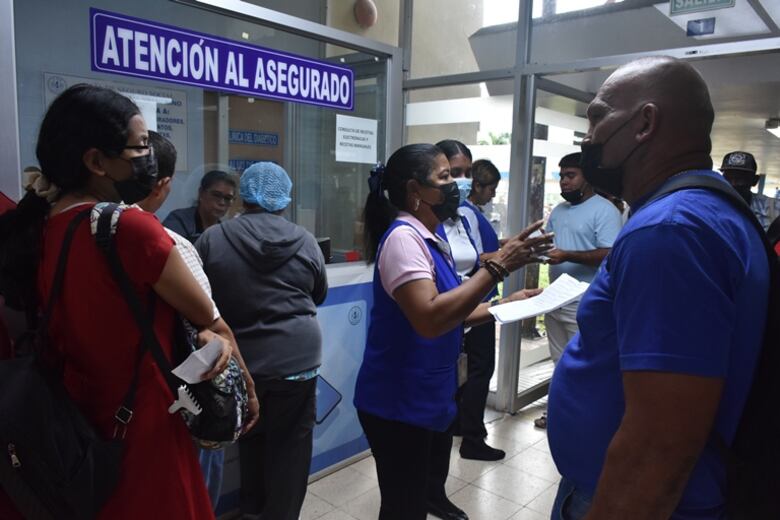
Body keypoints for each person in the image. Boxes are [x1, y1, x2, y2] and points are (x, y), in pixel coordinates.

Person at [547, 57, 769, 519]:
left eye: (596, 117)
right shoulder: (702, 209)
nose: (587, 138)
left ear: (645, 123)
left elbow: (659, 446)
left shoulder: (669, 231)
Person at [0, 84, 234, 519]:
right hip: (144, 429)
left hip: (75, 429)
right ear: (96, 161)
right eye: (140, 148)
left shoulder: (38, 228)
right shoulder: (129, 229)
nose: (149, 158)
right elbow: (203, 314)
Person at [354, 143, 553, 520]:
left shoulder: (430, 238)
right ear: (415, 191)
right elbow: (428, 318)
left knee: (414, 498)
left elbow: (451, 313)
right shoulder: (403, 240)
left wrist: (502, 305)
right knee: (403, 506)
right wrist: (496, 269)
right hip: (398, 401)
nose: (457, 185)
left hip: (424, 394)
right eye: (445, 177)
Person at [196, 161, 328, 520]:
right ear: (284, 200)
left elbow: (200, 300)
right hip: (297, 362)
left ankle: (251, 513)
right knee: (291, 451)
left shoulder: (212, 239)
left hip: (241, 364)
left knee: (251, 440)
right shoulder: (305, 241)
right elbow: (318, 293)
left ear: (244, 198)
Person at [136, 131, 259, 511]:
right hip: (178, 391)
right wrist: (249, 393)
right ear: (165, 186)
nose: (223, 204)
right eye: (217, 196)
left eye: (229, 198)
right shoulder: (170, 238)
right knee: (195, 489)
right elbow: (214, 325)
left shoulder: (69, 228)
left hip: (133, 397)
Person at [535, 152, 622, 429]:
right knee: (558, 359)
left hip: (585, 302)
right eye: (561, 176)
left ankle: (585, 418)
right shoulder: (559, 211)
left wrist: (567, 255)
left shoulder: (605, 210)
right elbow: (548, 244)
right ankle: (557, 412)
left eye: (570, 176)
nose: (564, 182)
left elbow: (610, 253)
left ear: (588, 178)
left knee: (585, 363)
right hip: (555, 299)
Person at [450, 157, 507, 461]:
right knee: (480, 369)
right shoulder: (462, 213)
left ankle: (463, 425)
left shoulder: (470, 216)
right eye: (491, 189)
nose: (492, 195)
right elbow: (476, 258)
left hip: (476, 299)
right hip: (474, 301)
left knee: (472, 368)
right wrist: (503, 255)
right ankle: (473, 436)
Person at [163, 169, 236, 243]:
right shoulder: (178, 220)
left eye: (228, 198)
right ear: (201, 193)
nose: (222, 202)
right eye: (216, 195)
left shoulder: (224, 232)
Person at [720, 151, 770, 230]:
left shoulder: (771, 207)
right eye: (728, 178)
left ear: (754, 180)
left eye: (740, 179)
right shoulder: (711, 205)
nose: (733, 184)